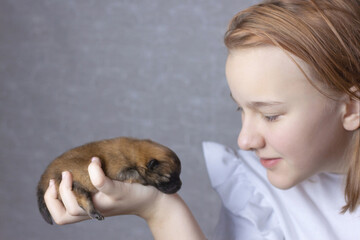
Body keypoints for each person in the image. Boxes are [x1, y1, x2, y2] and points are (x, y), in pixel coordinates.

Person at [44, 0, 360, 239]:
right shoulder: (259, 193)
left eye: (270, 115)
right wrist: (158, 209)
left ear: (351, 108)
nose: (244, 140)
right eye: (241, 109)